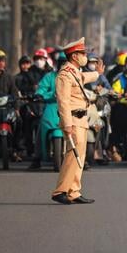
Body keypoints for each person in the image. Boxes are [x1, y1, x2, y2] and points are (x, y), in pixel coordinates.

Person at [51, 37, 103, 205]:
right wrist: (66, 124)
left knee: (79, 157)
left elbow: (84, 77)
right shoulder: (64, 75)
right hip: (72, 119)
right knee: (73, 156)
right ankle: (60, 191)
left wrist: (97, 74)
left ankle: (73, 191)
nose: (85, 56)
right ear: (74, 56)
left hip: (80, 118)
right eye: (82, 53)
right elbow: (63, 101)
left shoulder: (74, 72)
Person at [27, 52, 66, 171]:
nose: (64, 65)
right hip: (52, 106)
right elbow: (42, 89)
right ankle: (37, 158)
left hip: (70, 107)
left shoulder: (75, 77)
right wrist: (40, 95)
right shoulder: (50, 76)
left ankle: (82, 158)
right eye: (62, 63)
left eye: (66, 63)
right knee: (42, 127)